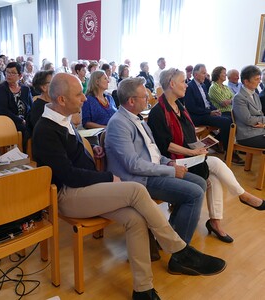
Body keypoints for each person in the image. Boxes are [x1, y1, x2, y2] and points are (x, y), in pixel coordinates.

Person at [32, 73, 226, 300]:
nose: (84, 99)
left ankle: (143, 289)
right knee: (135, 189)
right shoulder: (46, 129)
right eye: (78, 94)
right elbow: (68, 175)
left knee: (135, 220)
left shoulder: (62, 120)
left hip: (84, 191)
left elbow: (71, 158)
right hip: (68, 197)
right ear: (61, 100)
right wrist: (106, 177)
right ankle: (179, 249)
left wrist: (92, 151)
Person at [148, 69, 265, 245]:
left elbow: (189, 132)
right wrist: (193, 152)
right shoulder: (158, 112)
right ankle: (242, 195)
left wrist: (199, 144)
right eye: (182, 81)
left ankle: (215, 222)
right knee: (215, 162)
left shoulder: (179, 105)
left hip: (187, 155)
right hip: (174, 161)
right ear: (172, 84)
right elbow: (165, 146)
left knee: (214, 176)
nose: (186, 85)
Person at [105, 77, 207, 244]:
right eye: (145, 96)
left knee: (200, 182)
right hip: (138, 180)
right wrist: (171, 170)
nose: (149, 98)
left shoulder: (138, 119)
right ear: (131, 101)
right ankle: (180, 249)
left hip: (152, 171)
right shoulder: (119, 123)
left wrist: (168, 162)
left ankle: (171, 234)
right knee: (194, 194)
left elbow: (154, 153)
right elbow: (133, 165)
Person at [183, 64, 244, 165]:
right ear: (196, 75)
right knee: (226, 122)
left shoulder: (202, 85)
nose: (206, 75)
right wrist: (209, 112)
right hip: (197, 117)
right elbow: (191, 108)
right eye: (203, 73)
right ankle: (229, 153)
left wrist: (216, 110)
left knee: (229, 120)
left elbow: (208, 102)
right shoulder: (190, 86)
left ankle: (220, 144)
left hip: (206, 113)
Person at [0, 62, 33, 149]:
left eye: (12, 73)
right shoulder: (2, 88)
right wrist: (20, 120)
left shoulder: (25, 89)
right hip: (7, 121)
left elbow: (31, 107)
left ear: (20, 76)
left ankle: (32, 154)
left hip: (24, 120)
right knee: (24, 129)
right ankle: (23, 153)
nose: (9, 75)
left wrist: (29, 120)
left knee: (38, 127)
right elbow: (2, 110)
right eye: (7, 72)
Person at [233, 65, 265, 151]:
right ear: (246, 81)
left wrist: (263, 123)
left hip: (260, 130)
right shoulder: (239, 97)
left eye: (259, 78)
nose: (259, 82)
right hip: (248, 135)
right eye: (256, 79)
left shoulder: (255, 95)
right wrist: (263, 120)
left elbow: (260, 114)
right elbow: (248, 119)